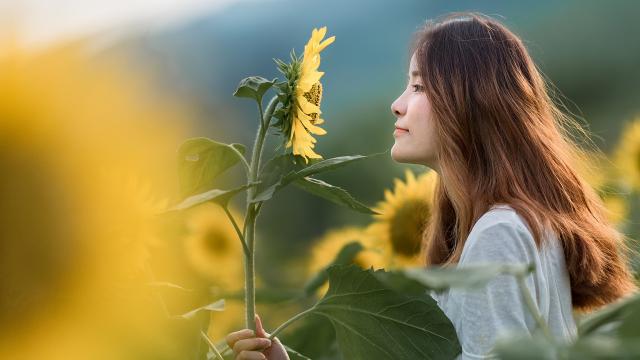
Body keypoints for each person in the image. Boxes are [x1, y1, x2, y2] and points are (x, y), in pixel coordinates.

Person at [225, 11, 638, 360]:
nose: (398, 103)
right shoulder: (513, 224)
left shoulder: (499, 233)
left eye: (418, 86)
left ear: (468, 100)